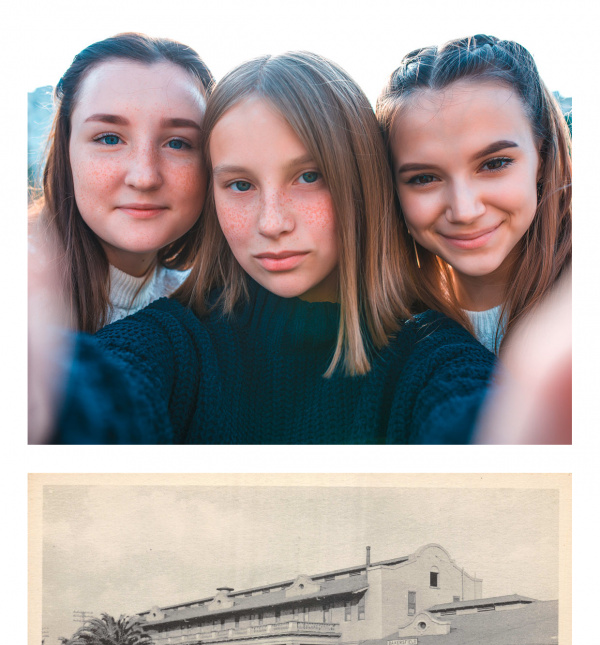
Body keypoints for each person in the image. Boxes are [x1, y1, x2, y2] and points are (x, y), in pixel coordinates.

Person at [32, 51, 496, 445]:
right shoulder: (178, 340)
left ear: (362, 182)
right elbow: (110, 390)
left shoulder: (434, 357)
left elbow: (478, 421)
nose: (272, 223)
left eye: (308, 177)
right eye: (239, 184)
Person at [376, 34, 571, 354]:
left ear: (543, 157)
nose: (464, 210)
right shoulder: (388, 333)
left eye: (494, 164)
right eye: (424, 178)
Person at [30, 32, 213, 332]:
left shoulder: (213, 312)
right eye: (110, 139)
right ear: (67, 149)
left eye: (177, 143)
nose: (144, 177)